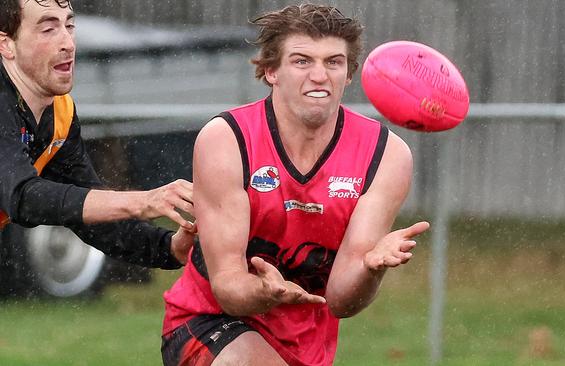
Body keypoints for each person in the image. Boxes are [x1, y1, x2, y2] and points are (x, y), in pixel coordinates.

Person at [161, 3, 430, 366]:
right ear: (271, 70)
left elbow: (341, 302)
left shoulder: (385, 155)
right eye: (302, 61)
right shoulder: (228, 140)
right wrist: (265, 291)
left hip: (305, 344)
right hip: (208, 322)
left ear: (348, 74)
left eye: (333, 62)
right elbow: (227, 287)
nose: (320, 75)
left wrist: (371, 268)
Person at [0, 0, 195, 272]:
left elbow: (91, 218)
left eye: (69, 25)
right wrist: (144, 201)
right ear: (6, 44)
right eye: (48, 29)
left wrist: (168, 247)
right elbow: (23, 198)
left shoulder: (60, 113)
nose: (68, 42)